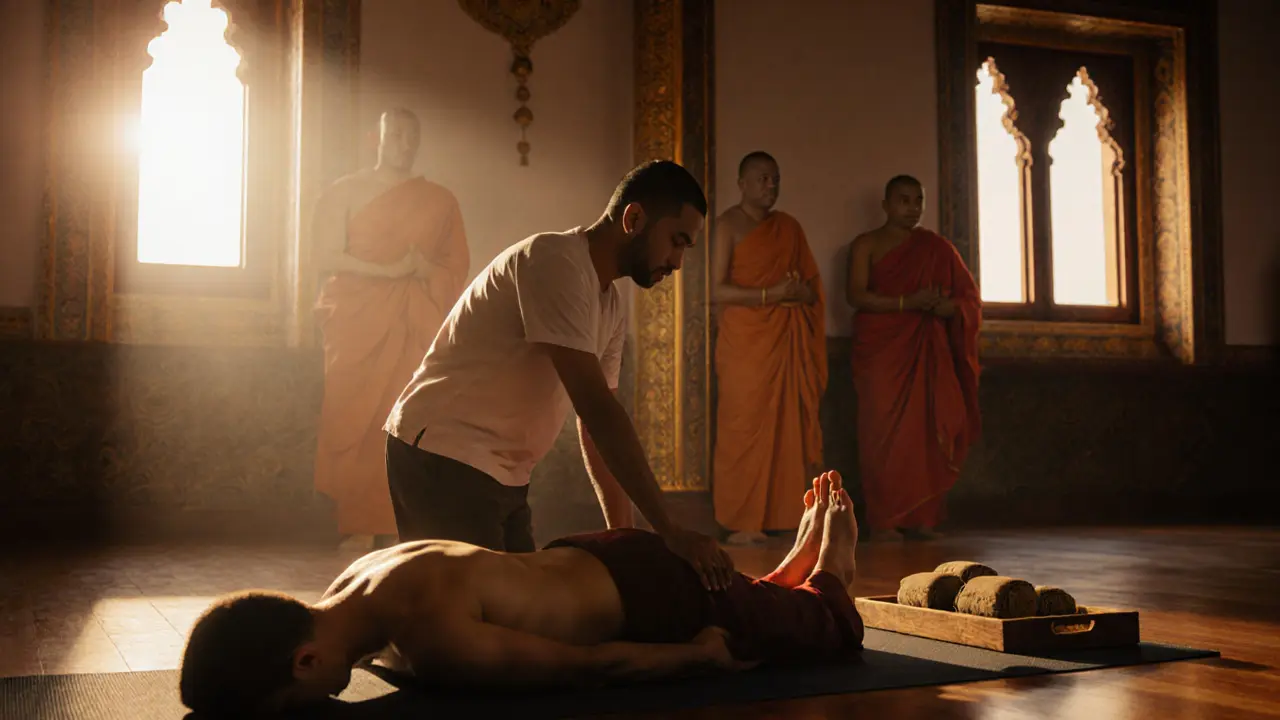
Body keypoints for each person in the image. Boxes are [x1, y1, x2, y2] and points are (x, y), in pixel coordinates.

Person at [178, 472, 864, 717]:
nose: (314, 706)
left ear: (303, 661)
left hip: (654, 598)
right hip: (589, 556)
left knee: (832, 631)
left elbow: (590, 670)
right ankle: (775, 585)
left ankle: (827, 571)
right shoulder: (358, 581)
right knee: (756, 607)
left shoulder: (432, 640)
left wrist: (696, 661)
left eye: (291, 707)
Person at [382, 159, 734, 589]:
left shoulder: (610, 305)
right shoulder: (554, 261)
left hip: (506, 474)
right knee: (476, 627)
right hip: (445, 454)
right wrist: (670, 531)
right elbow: (597, 408)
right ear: (635, 218)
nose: (677, 262)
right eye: (676, 241)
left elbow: (592, 428)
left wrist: (626, 540)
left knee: (526, 614)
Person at [311, 108, 470, 551]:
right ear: (374, 138)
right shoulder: (344, 191)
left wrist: (422, 269)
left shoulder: (439, 200)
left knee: (406, 418)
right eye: (394, 134)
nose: (403, 143)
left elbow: (456, 267)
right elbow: (326, 257)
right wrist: (391, 270)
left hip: (413, 318)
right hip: (356, 319)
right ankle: (357, 524)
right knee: (354, 414)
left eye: (410, 136)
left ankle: (401, 524)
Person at [845, 175, 982, 542]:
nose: (912, 208)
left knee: (923, 432)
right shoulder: (866, 245)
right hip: (881, 352)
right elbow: (856, 296)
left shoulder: (937, 249)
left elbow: (969, 300)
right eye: (904, 200)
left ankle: (922, 518)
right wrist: (908, 303)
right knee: (881, 435)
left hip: (925, 351)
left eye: (918, 200)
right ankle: (884, 520)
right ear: (887, 204)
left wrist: (945, 306)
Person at [711, 151, 827, 545]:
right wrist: (769, 293)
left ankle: (785, 515)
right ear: (742, 183)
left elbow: (813, 289)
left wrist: (795, 293)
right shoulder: (728, 224)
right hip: (745, 340)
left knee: (786, 427)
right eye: (762, 178)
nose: (770, 186)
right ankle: (742, 520)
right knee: (742, 426)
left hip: (784, 338)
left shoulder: (789, 228)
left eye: (775, 179)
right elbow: (715, 289)